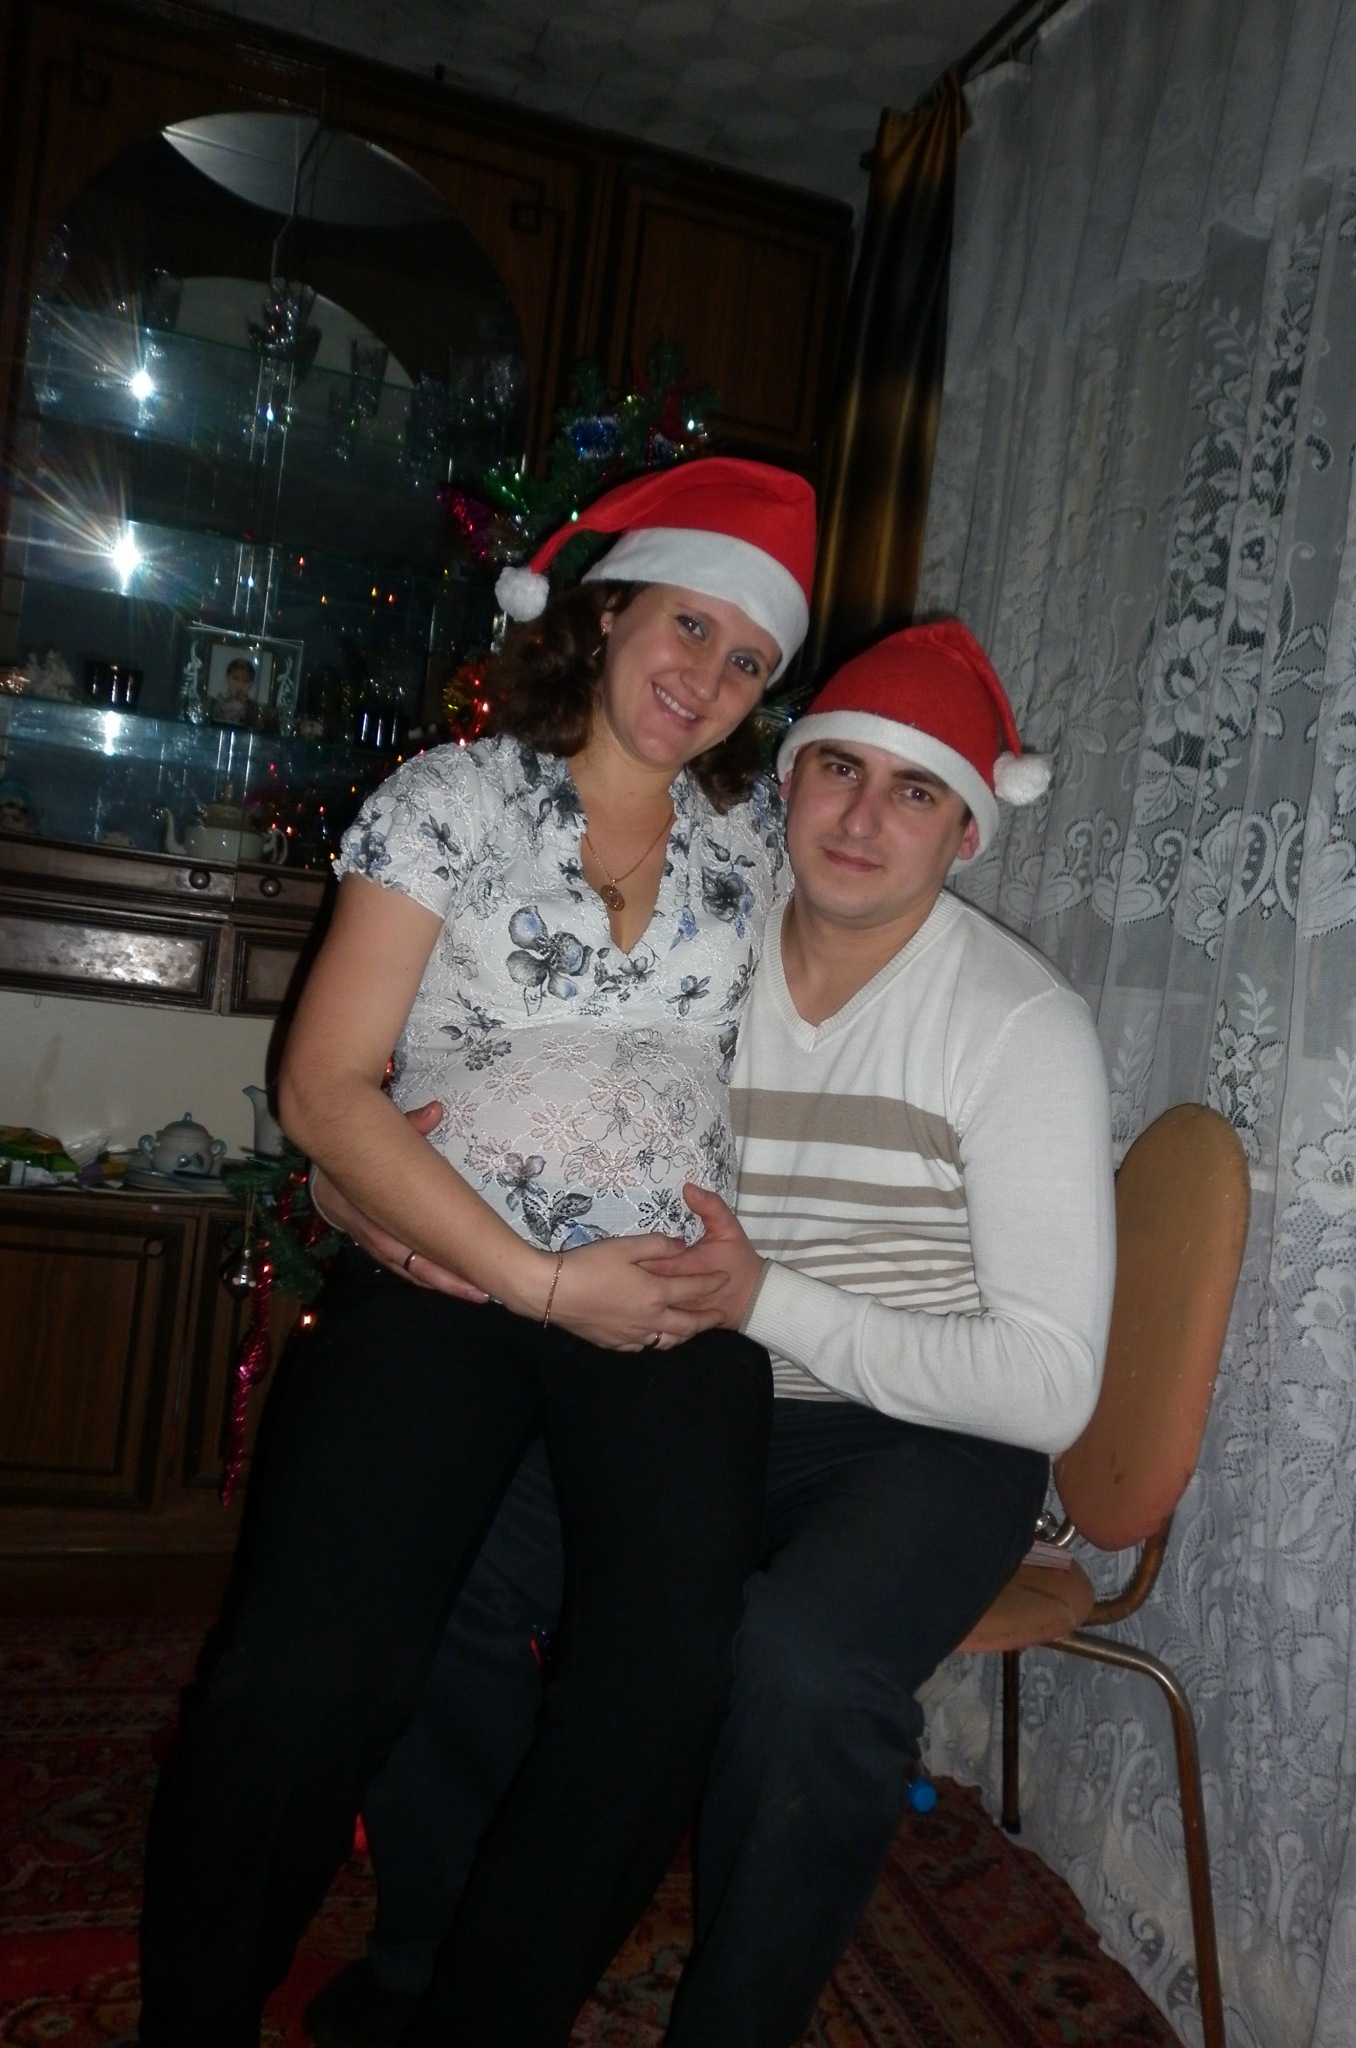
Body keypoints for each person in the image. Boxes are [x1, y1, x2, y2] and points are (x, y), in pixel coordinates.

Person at [307, 620, 1117, 2048]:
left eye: (915, 792)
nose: (862, 819)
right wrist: (347, 1187)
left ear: (968, 833)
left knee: (800, 1667)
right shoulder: (704, 937)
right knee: (446, 1557)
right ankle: (440, 1965)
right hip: (697, 1391)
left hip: (929, 1436)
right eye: (838, 770)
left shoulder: (1019, 1024)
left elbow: (1050, 1386)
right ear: (783, 780)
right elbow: (465, 1077)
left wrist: (765, 1299)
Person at [136, 456, 818, 2048]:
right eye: (689, 625)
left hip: (666, 1303)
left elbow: (889, 924)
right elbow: (324, 1085)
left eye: (748, 660)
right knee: (310, 1671)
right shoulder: (454, 798)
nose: (707, 678)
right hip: (443, 1281)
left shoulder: (759, 841)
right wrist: (521, 1272)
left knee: (661, 1691)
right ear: (609, 612)